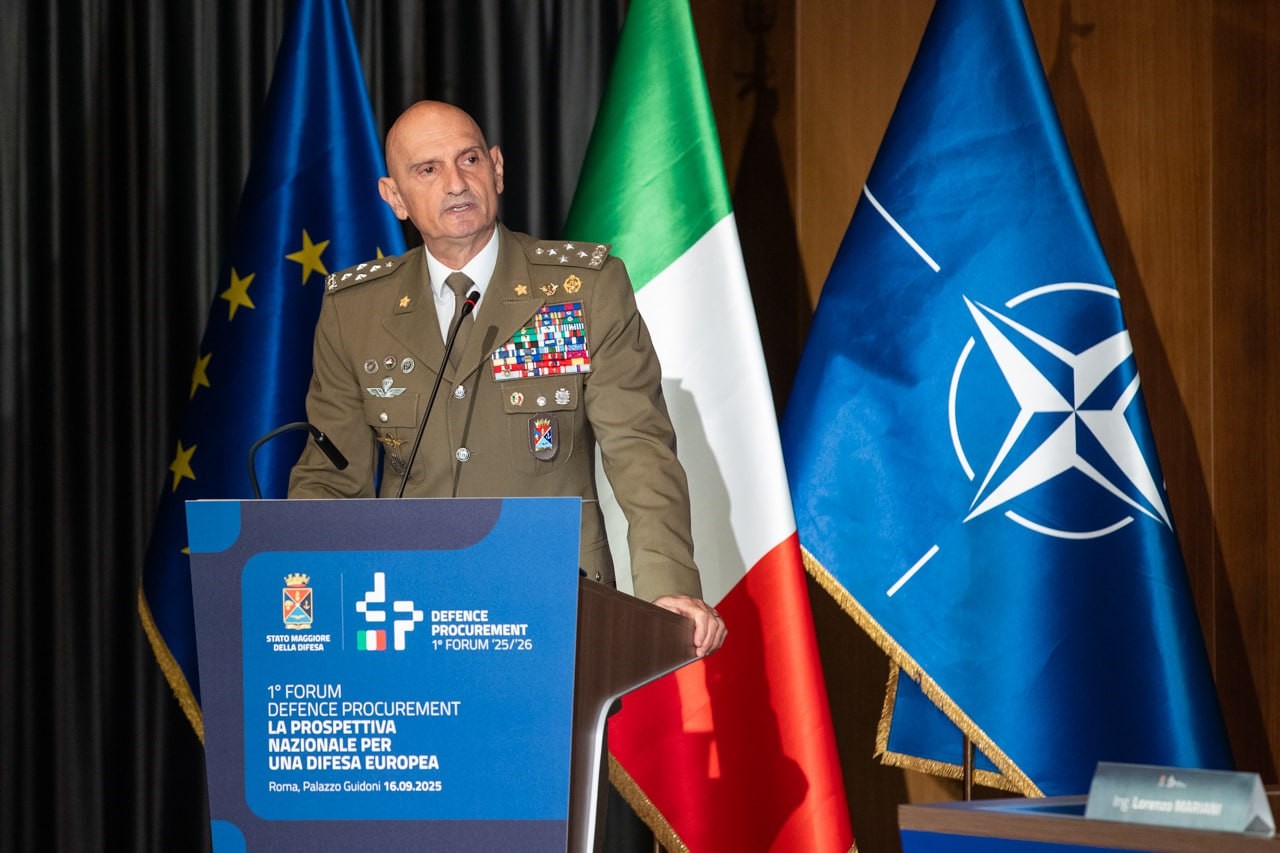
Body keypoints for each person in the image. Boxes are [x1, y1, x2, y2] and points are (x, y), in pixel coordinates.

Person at [289, 100, 726, 658]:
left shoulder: (582, 290)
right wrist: (302, 597)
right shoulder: (355, 310)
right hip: (408, 615)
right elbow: (330, 479)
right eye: (428, 169)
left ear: (496, 168)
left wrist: (669, 586)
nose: (455, 183)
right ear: (394, 197)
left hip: (557, 606)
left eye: (469, 159)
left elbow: (640, 449)